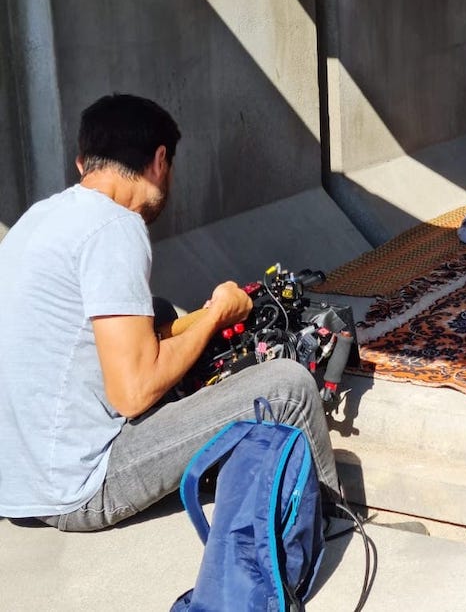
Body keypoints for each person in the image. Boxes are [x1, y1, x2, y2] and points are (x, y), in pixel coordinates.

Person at [0, 94, 339, 531]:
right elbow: (133, 393)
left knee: (156, 312)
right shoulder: (116, 227)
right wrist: (217, 316)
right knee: (288, 387)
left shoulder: (39, 217)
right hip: (76, 489)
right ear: (160, 160)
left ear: (83, 162)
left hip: (18, 482)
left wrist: (194, 322)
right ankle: (332, 521)